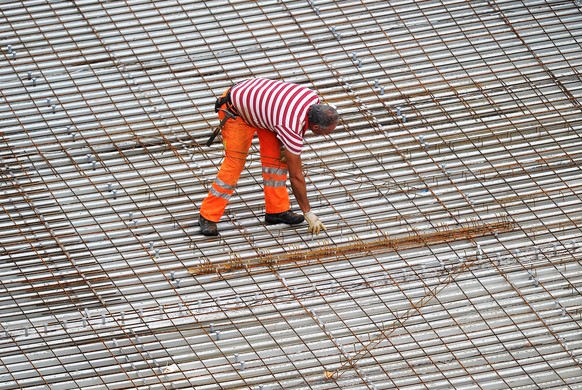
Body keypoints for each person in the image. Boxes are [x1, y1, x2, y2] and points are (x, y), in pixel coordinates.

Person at [198, 77, 339, 236]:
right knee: (234, 164)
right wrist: (308, 212)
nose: (327, 136)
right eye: (326, 133)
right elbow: (296, 177)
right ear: (315, 126)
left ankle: (276, 211)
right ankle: (208, 215)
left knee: (278, 158)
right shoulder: (290, 125)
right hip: (235, 110)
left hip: (263, 112)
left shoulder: (313, 100)